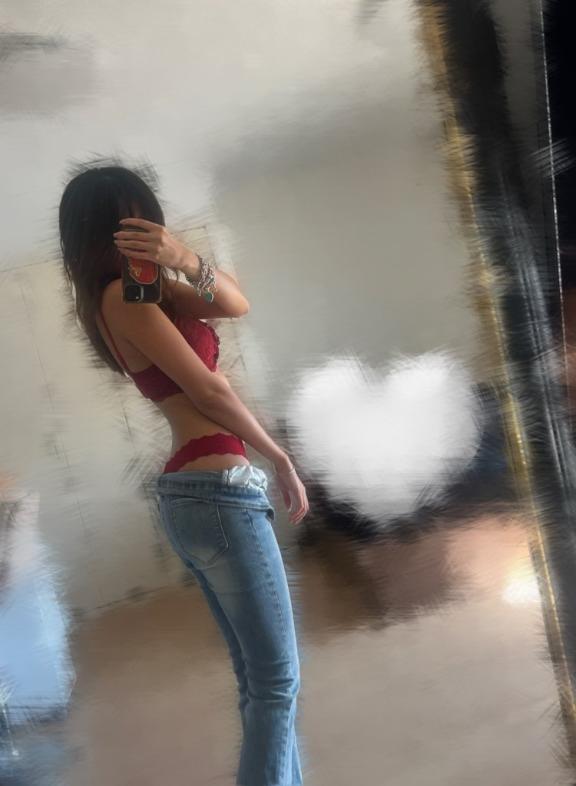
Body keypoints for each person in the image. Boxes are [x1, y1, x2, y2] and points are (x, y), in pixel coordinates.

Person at [59, 164, 308, 786]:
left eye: (144, 218)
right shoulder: (120, 299)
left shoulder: (143, 293)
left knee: (259, 681)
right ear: (99, 233)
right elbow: (208, 391)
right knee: (276, 683)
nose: (140, 230)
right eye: (125, 222)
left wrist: (183, 257)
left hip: (200, 492)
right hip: (218, 493)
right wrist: (278, 457)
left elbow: (236, 302)